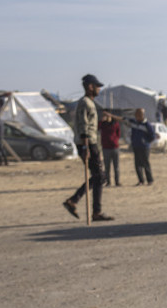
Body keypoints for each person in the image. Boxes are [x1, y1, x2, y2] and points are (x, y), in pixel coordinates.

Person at [63, 73, 112, 221]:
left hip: (91, 143)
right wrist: (85, 149)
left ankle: (94, 210)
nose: (99, 89)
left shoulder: (90, 103)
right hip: (87, 143)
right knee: (99, 176)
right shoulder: (85, 103)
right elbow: (83, 127)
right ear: (90, 87)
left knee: (99, 177)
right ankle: (74, 201)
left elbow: (90, 126)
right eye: (97, 86)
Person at [126, 107, 155, 186]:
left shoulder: (147, 124)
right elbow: (123, 119)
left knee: (145, 163)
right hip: (136, 146)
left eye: (138, 114)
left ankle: (150, 180)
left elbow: (152, 136)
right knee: (137, 164)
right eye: (136, 114)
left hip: (145, 147)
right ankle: (141, 180)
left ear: (142, 115)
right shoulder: (134, 122)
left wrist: (145, 142)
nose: (136, 116)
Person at [99, 111, 121, 186]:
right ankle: (108, 181)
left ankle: (117, 181)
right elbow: (97, 128)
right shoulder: (103, 124)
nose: (107, 117)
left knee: (116, 166)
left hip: (115, 147)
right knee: (107, 167)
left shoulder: (115, 124)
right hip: (106, 148)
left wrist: (115, 140)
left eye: (108, 115)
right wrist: (102, 121)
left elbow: (118, 133)